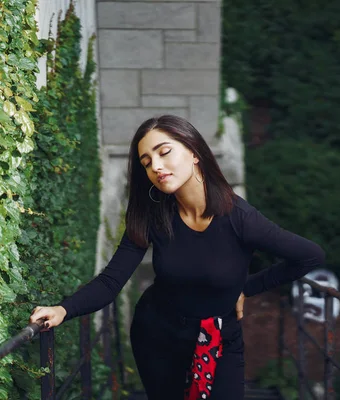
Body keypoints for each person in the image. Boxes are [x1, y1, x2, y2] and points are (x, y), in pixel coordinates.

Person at [29, 115, 325, 399]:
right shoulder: (152, 215)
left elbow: (309, 257)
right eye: (147, 162)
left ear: (194, 152)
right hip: (157, 335)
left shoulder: (240, 218)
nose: (156, 166)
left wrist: (245, 288)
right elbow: (111, 281)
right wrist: (63, 310)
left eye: (164, 152)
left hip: (220, 339)